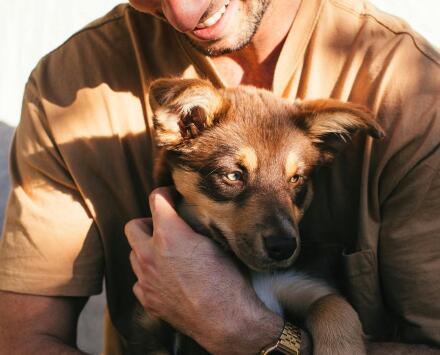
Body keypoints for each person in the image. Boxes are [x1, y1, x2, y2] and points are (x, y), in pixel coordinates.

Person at [0, 0, 439, 353]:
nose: (183, 12)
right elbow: (22, 339)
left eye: (293, 183)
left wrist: (254, 335)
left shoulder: (413, 89)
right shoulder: (69, 84)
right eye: (233, 176)